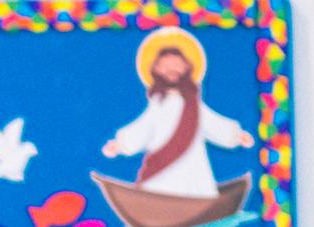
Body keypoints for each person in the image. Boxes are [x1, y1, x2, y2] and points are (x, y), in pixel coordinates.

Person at [101, 29, 252, 199]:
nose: (171, 70)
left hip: (192, 169)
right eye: (165, 66)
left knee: (194, 187)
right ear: (155, 69)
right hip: (160, 171)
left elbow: (212, 123)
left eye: (177, 65)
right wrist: (120, 145)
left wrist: (236, 136)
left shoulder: (194, 105)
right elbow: (143, 127)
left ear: (187, 67)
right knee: (158, 193)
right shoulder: (157, 105)